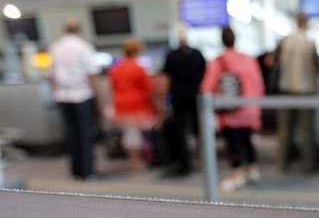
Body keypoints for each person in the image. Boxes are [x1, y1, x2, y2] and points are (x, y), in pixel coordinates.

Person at [201, 27, 265, 192]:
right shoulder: (249, 59)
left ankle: (236, 174)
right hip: (250, 108)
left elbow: (206, 86)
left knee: (233, 142)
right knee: (247, 139)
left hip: (232, 111)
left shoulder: (219, 61)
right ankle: (252, 170)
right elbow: (259, 85)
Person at [50, 17, 100, 180]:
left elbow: (52, 76)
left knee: (71, 135)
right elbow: (91, 74)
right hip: (82, 96)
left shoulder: (55, 47)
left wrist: (56, 94)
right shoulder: (83, 47)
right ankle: (87, 171)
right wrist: (99, 99)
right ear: (80, 30)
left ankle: (76, 171)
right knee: (85, 134)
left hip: (63, 97)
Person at [275, 13, 319, 173]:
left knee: (285, 130)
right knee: (306, 130)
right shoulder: (310, 43)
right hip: (306, 90)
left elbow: (273, 63)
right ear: (306, 24)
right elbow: (318, 68)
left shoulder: (284, 42)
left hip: (286, 89)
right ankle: (309, 165)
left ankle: (282, 163)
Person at [109, 38, 162, 170]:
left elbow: (113, 87)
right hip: (137, 105)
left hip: (120, 105)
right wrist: (157, 106)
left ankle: (133, 160)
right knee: (135, 134)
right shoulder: (138, 68)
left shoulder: (116, 69)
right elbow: (148, 89)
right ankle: (137, 161)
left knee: (129, 133)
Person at [162, 27, 206, 176]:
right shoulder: (197, 54)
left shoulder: (172, 55)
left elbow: (166, 79)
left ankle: (186, 162)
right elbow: (205, 75)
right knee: (198, 129)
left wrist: (164, 99)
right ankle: (204, 160)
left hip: (178, 96)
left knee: (181, 130)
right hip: (196, 96)